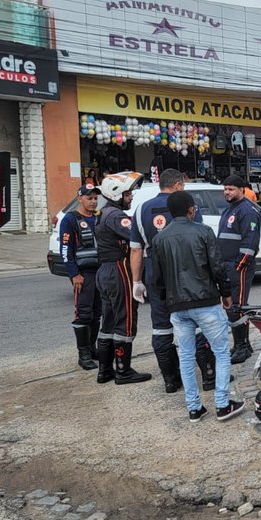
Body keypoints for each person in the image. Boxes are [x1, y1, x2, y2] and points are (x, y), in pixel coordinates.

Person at [150, 190, 245, 422]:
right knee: (221, 352)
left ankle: (194, 408)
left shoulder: (159, 238)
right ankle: (222, 404)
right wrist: (226, 293)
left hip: (177, 306)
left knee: (186, 356)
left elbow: (157, 278)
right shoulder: (203, 231)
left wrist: (167, 299)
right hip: (206, 302)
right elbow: (217, 266)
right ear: (192, 209)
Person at [129, 169, 189, 394]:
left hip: (154, 272)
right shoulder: (185, 205)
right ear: (177, 185)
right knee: (193, 323)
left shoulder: (141, 209)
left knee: (161, 326)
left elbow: (135, 250)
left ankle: (170, 380)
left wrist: (137, 281)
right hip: (184, 271)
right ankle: (207, 374)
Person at [95, 173, 152, 384]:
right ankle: (123, 371)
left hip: (105, 270)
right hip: (119, 269)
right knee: (125, 320)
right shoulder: (116, 216)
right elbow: (137, 236)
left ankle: (104, 371)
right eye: (128, 194)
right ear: (117, 193)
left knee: (108, 322)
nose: (131, 197)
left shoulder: (104, 213)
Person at [218, 175, 261, 364]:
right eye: (225, 189)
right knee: (231, 306)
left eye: (231, 189)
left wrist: (239, 265)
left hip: (239, 267)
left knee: (237, 306)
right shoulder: (229, 210)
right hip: (227, 266)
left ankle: (242, 347)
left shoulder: (248, 210)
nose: (227, 192)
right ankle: (241, 343)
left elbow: (250, 243)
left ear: (241, 190)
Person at [59, 185, 102, 371]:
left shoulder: (98, 218)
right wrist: (74, 273)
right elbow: (65, 249)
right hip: (83, 275)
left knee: (96, 313)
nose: (93, 201)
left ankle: (92, 349)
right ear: (80, 199)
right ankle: (83, 354)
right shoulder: (70, 219)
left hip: (100, 272)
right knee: (83, 314)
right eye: (89, 198)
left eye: (95, 198)